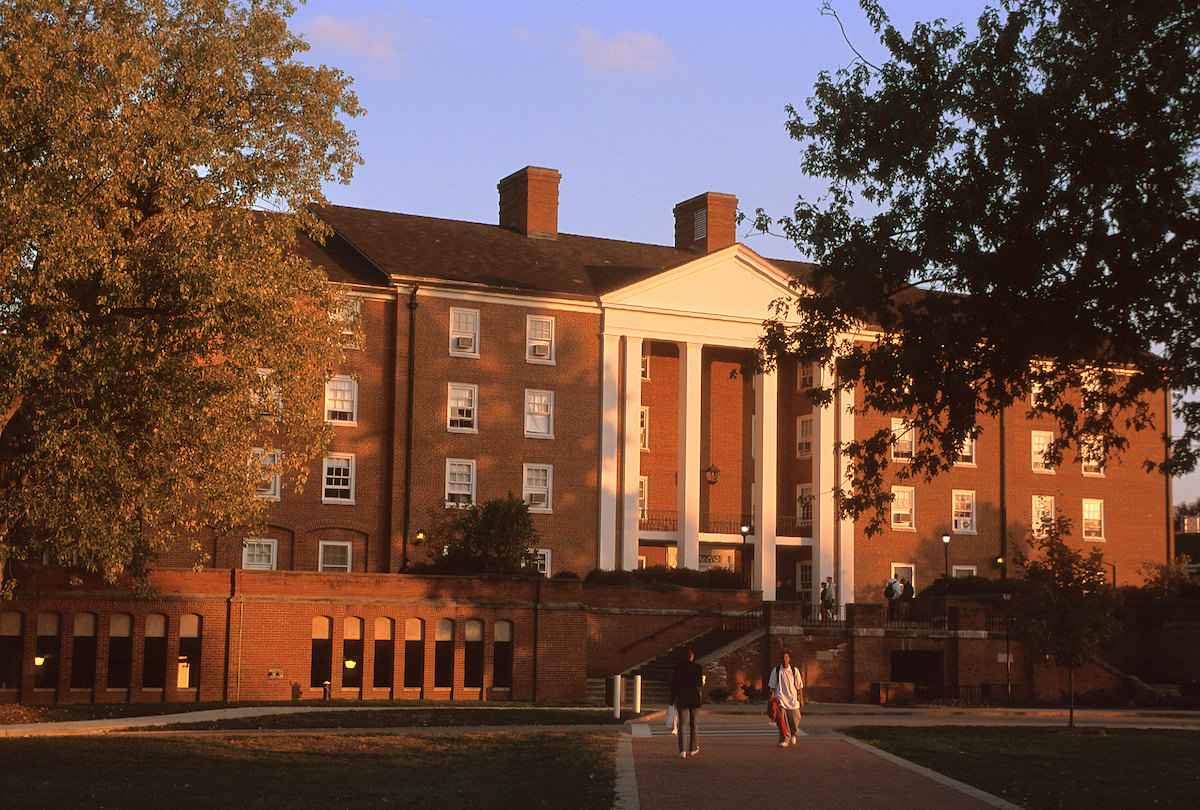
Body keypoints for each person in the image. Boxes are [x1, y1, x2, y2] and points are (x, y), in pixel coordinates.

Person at [669, 648, 704, 758]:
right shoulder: (697, 667)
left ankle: (682, 751)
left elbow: (674, 683)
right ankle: (693, 748)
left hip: (682, 696)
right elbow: (699, 683)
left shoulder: (678, 667)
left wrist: (672, 699)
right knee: (694, 723)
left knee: (682, 724)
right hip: (694, 696)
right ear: (692, 656)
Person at [767, 651, 804, 747]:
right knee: (782, 720)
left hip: (793, 699)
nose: (785, 659)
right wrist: (772, 698)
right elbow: (772, 686)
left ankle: (793, 733)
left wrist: (801, 698)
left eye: (786, 657)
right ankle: (784, 739)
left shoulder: (794, 670)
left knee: (795, 717)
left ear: (789, 659)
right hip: (780, 698)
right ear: (780, 659)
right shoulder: (776, 670)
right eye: (783, 658)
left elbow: (799, 686)